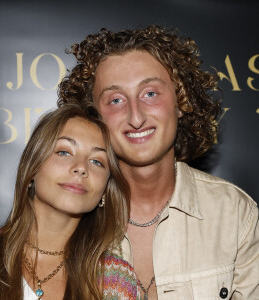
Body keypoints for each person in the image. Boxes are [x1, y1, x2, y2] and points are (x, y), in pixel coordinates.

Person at [58, 26, 259, 299]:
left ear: (181, 101)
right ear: (94, 117)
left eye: (150, 93)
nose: (136, 116)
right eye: (115, 100)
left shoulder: (234, 214)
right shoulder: (68, 217)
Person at [0, 103, 142, 300]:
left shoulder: (117, 282)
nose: (80, 167)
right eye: (64, 152)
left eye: (97, 161)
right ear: (32, 169)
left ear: (105, 191)